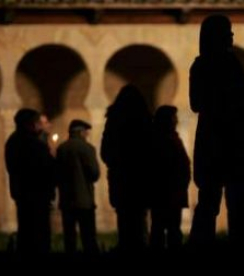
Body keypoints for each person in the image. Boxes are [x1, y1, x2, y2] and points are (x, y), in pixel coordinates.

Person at [188, 14, 244, 247]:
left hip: (211, 142)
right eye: (227, 32)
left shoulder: (200, 65)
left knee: (209, 201)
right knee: (235, 203)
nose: (231, 36)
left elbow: (196, 102)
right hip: (231, 144)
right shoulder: (229, 63)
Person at [101, 84, 153, 251]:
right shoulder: (145, 122)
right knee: (140, 218)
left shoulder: (113, 122)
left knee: (124, 218)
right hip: (140, 179)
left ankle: (126, 247)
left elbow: (105, 152)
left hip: (121, 179)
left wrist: (117, 164)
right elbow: (151, 150)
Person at [5, 108, 55, 253]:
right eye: (37, 123)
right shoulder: (34, 144)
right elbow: (48, 169)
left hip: (21, 194)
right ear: (30, 124)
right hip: (38, 196)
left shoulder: (12, 142)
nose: (40, 126)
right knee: (39, 235)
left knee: (26, 233)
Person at [56, 119, 100, 254]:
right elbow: (94, 174)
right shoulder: (87, 148)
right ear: (81, 132)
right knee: (89, 238)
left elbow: (56, 174)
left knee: (69, 239)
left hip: (66, 201)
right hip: (84, 201)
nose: (87, 135)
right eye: (86, 132)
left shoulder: (61, 149)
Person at [150, 106, 190, 249]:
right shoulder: (164, 139)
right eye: (173, 117)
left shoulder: (168, 138)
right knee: (166, 230)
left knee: (163, 230)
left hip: (170, 193)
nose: (176, 120)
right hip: (167, 193)